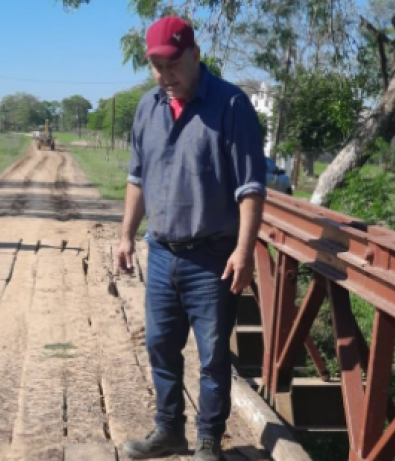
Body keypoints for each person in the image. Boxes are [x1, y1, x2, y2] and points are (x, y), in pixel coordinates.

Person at [115, 16, 266, 461]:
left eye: (173, 65)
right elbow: (137, 178)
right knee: (160, 345)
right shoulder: (148, 107)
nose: (166, 76)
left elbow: (251, 188)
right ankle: (169, 430)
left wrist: (244, 250)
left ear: (195, 55)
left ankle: (207, 440)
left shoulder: (231, 105)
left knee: (213, 355)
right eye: (157, 67)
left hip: (213, 256)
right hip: (162, 252)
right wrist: (125, 236)